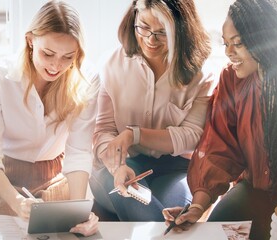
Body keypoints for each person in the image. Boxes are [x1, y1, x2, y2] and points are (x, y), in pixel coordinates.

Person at [162, 0, 277, 239]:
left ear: (265, 40)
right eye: (226, 44)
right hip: (256, 192)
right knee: (212, 233)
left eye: (238, 44)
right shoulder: (232, 80)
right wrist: (197, 206)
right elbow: (219, 148)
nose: (228, 52)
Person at [0, 0, 98, 236]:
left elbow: (79, 152)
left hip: (57, 175)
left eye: (68, 57)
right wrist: (17, 201)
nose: (56, 65)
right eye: (48, 53)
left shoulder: (87, 79)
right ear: (30, 40)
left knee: (65, 227)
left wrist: (77, 211)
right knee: (0, 224)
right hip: (3, 175)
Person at [89, 0, 216, 221]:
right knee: (136, 201)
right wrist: (117, 166)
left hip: (176, 168)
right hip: (121, 163)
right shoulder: (112, 64)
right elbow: (103, 131)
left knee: (171, 210)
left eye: (162, 32)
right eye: (144, 27)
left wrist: (134, 134)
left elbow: (192, 135)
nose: (150, 40)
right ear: (134, 18)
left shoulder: (200, 73)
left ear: (182, 30)